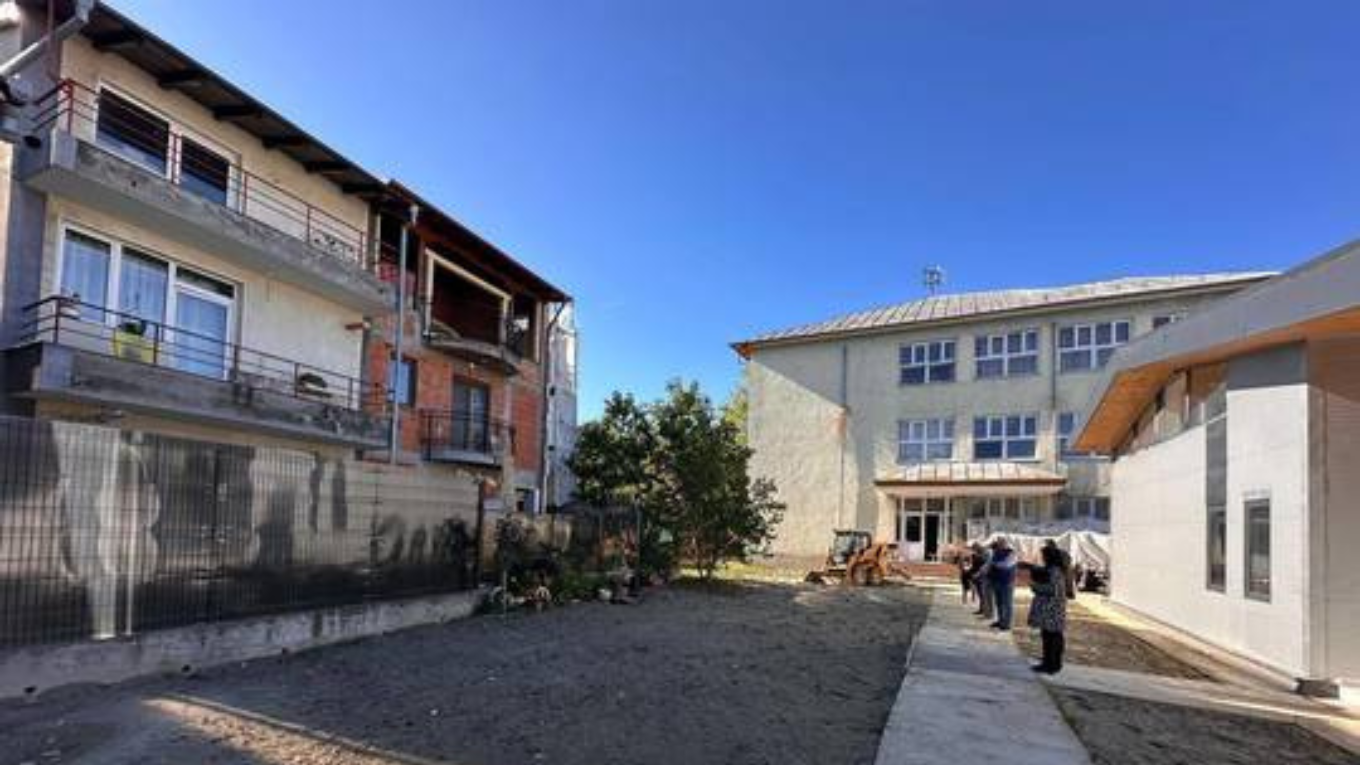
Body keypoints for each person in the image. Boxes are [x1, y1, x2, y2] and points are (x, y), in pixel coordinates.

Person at [1028, 544, 1069, 674]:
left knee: (1051, 638)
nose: (1043, 558)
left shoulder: (1054, 571)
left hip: (1051, 610)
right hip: (1052, 609)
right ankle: (1050, 663)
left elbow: (1052, 590)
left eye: (1044, 556)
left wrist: (1035, 586)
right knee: (1049, 637)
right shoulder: (1055, 569)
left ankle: (1050, 665)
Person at [988, 538, 1017, 631]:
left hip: (1007, 582)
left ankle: (1007, 624)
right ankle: (1001, 621)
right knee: (999, 603)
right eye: (999, 543)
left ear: (1006, 543)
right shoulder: (996, 552)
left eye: (1001, 543)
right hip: (996, 581)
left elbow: (1006, 565)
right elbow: (990, 563)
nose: (999, 545)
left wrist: (995, 564)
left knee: (1007, 603)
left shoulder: (1012, 553)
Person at [969, 542, 994, 620]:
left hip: (984, 577)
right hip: (978, 576)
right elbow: (974, 566)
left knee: (985, 596)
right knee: (981, 594)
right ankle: (982, 610)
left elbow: (986, 565)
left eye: (975, 548)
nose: (974, 550)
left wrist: (978, 574)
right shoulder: (976, 554)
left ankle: (987, 613)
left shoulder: (987, 553)